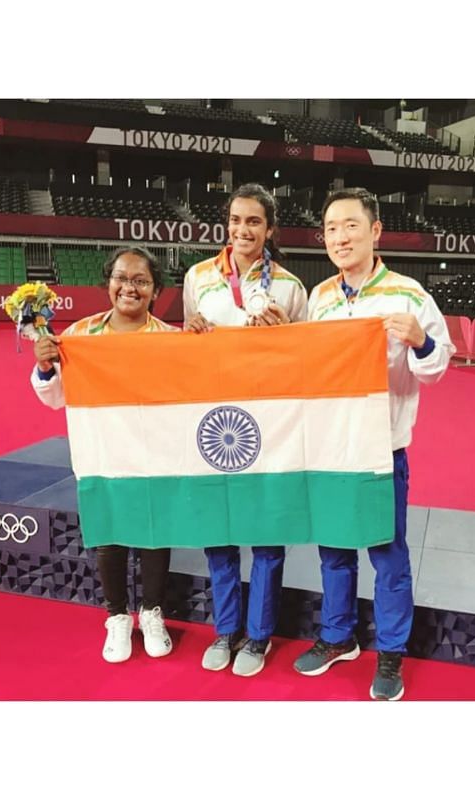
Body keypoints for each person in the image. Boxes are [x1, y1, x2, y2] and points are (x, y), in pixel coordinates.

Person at [293, 188, 454, 700]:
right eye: (331, 228)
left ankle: (390, 652)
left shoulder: (409, 296)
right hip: (330, 450)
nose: (339, 237)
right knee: (335, 551)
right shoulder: (319, 298)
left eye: (350, 226)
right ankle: (338, 637)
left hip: (381, 451)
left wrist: (420, 341)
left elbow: (436, 367)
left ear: (375, 231)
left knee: (388, 557)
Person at [183, 183, 308, 677]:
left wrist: (284, 339)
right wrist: (189, 335)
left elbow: (306, 361)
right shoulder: (198, 278)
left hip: (269, 423)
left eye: (253, 222)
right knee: (219, 533)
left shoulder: (291, 287)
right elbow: (185, 351)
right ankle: (225, 629)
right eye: (235, 220)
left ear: (269, 229)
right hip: (214, 423)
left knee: (266, 537)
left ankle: (257, 638)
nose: (242, 230)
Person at [31, 246, 178, 664]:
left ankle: (151, 612)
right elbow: (55, 396)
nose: (128, 287)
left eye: (140, 280)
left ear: (155, 291)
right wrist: (45, 368)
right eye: (121, 277)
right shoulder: (80, 336)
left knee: (153, 535)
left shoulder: (171, 341)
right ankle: (116, 616)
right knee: (109, 539)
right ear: (107, 283)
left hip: (155, 456)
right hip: (102, 452)